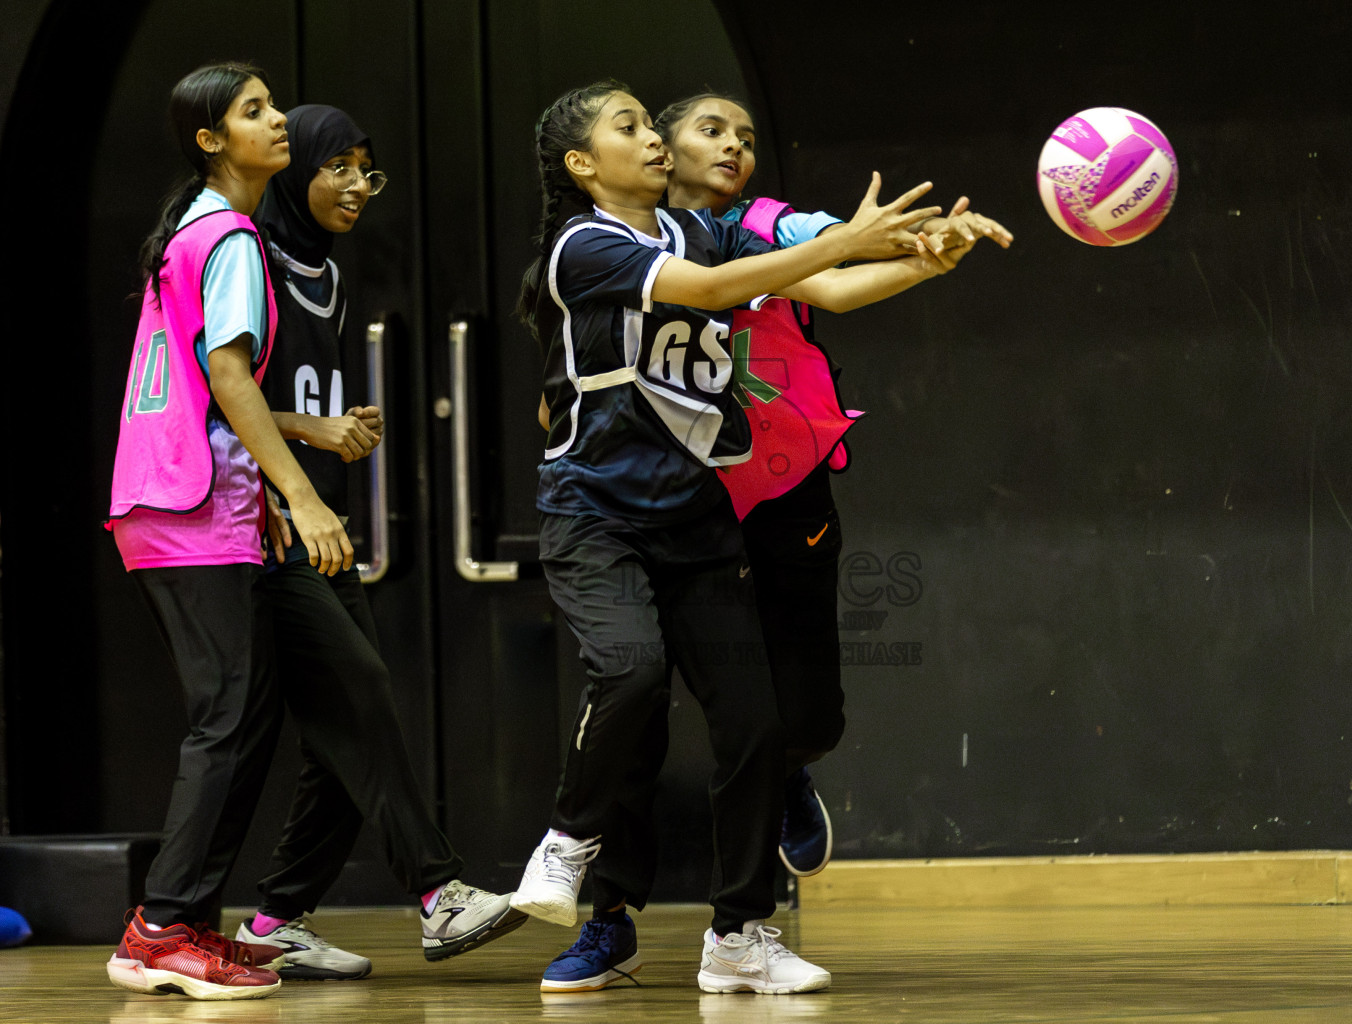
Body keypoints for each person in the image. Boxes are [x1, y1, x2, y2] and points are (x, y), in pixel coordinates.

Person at [506, 80, 954, 995]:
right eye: (628, 126)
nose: (653, 137)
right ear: (582, 163)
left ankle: (740, 936)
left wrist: (923, 263)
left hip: (694, 516)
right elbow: (713, 293)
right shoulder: (584, 244)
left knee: (756, 724)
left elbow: (822, 281)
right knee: (629, 676)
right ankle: (570, 840)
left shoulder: (702, 231)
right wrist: (842, 240)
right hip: (595, 513)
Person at [655, 92, 1012, 885]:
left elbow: (834, 270)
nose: (733, 146)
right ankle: (692, 907)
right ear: (660, 147)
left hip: (787, 486)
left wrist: (926, 251)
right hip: (682, 499)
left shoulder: (759, 223)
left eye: (745, 137)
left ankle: (793, 770)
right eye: (710, 131)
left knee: (809, 714)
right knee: (719, 708)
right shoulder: (625, 244)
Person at [229, 105, 523, 978]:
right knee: (357, 697)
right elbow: (218, 394)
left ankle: (275, 918)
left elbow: (292, 399)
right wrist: (309, 446)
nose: (359, 186)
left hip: (320, 521)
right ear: (294, 174)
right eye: (340, 168)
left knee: (346, 729)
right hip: (259, 519)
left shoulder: (326, 269)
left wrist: (335, 427)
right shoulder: (244, 254)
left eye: (368, 169)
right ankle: (438, 893)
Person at [102, 62, 348, 1001]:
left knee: (242, 717)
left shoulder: (191, 233)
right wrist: (305, 493)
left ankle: (190, 920)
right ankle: (162, 929)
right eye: (254, 112)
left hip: (176, 506)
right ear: (211, 141)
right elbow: (232, 378)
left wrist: (303, 445)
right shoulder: (232, 235)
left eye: (274, 103)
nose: (278, 119)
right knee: (225, 721)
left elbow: (213, 392)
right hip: (188, 509)